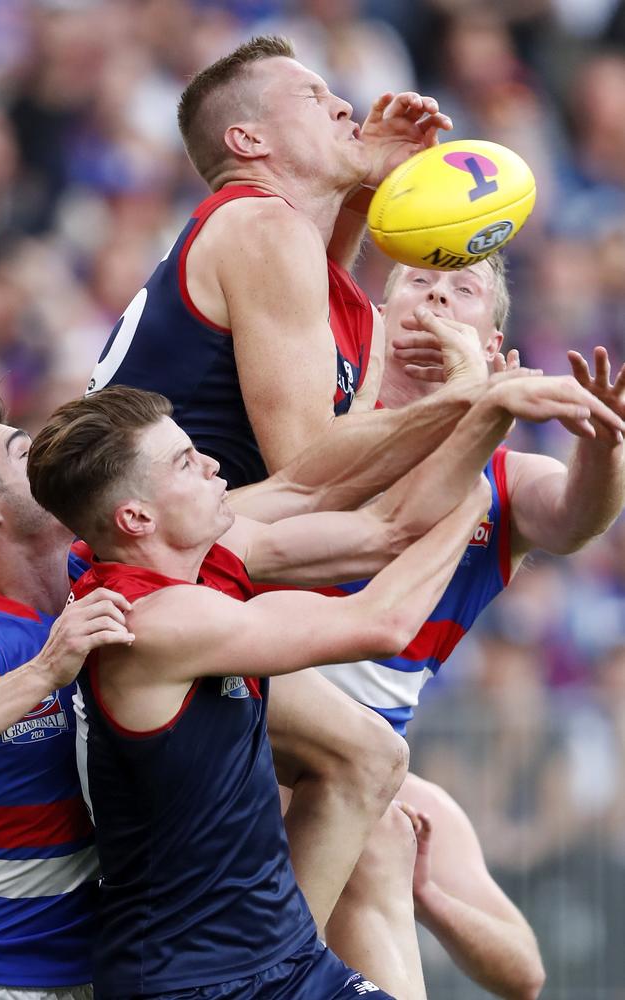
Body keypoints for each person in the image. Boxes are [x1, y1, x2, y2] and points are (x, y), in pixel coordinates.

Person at [81, 34, 623, 943]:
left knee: (386, 802)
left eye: (456, 291)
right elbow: (320, 476)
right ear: (251, 140)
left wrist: (366, 184)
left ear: (496, 335)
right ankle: (273, 968)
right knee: (369, 764)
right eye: (314, 94)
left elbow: (557, 516)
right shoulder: (261, 230)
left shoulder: (290, 252)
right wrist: (476, 402)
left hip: (181, 565)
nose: (345, 105)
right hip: (157, 574)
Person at [26, 383, 494, 1000]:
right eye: (186, 462)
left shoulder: (207, 557)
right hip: (191, 983)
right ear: (136, 518)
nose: (212, 464)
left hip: (284, 962)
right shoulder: (154, 619)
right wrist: (480, 496)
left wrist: (486, 412)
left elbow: (389, 530)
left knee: (368, 756)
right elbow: (383, 623)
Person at [308, 255, 624, 998]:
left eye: (465, 287)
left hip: (363, 761)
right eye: (417, 280)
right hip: (246, 723)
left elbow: (578, 516)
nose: (440, 291)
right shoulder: (306, 432)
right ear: (374, 321)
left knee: (384, 834)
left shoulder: (507, 482)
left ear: (495, 347)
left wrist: (604, 446)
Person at [0, 378, 137, 999]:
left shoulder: (96, 571)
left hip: (104, 973)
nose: (46, 452)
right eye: (23, 452)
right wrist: (43, 672)